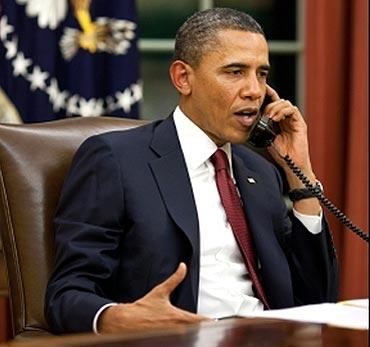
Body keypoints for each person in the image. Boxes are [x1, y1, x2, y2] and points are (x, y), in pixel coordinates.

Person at [45, 7, 338, 334]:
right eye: (235, 72)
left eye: (262, 74)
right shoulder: (116, 160)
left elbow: (315, 300)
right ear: (183, 78)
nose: (254, 90)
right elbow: (66, 294)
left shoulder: (262, 173)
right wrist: (122, 318)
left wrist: (302, 178)